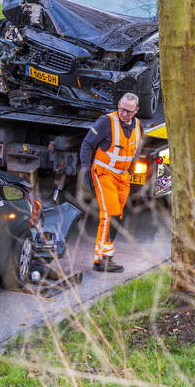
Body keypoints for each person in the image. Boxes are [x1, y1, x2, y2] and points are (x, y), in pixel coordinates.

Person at [81, 93, 142, 273]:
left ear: (136, 111)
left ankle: (104, 257)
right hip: (104, 173)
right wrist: (86, 171)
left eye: (128, 111)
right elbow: (87, 144)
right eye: (121, 109)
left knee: (117, 218)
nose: (123, 113)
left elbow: (136, 149)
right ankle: (101, 260)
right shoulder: (106, 122)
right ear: (118, 105)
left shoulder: (138, 125)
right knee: (110, 215)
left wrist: (131, 172)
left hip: (123, 177)